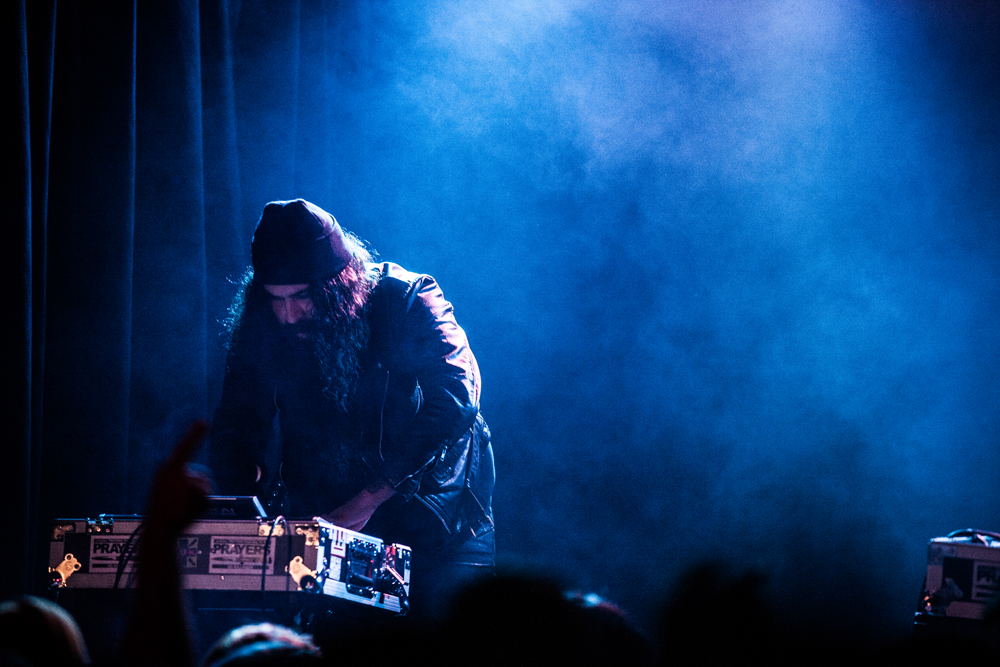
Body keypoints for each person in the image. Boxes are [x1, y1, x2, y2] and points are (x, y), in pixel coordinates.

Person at [209, 199, 495, 615]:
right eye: (276, 299)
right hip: (331, 520)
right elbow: (238, 423)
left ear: (338, 283)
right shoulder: (266, 324)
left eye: (302, 296)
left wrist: (367, 500)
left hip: (438, 528)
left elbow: (457, 395)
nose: (288, 315)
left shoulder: (407, 299)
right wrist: (247, 511)